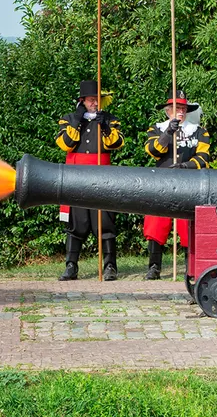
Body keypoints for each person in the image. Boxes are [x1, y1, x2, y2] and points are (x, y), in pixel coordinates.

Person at [55, 79, 125, 281]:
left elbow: (117, 144)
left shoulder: (109, 119)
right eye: (91, 100)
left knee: (105, 223)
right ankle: (71, 265)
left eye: (97, 99)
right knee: (77, 224)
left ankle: (110, 266)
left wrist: (104, 127)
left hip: (102, 177)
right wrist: (78, 120)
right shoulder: (68, 119)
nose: (95, 103)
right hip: (76, 178)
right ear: (82, 100)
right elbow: (66, 144)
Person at [142, 90, 210, 280]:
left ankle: (191, 267)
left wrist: (185, 166)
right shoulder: (156, 129)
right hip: (162, 183)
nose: (180, 111)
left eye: (182, 108)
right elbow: (152, 151)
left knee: (187, 226)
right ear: (167, 111)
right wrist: (167, 133)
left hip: (189, 183)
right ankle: (154, 267)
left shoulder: (199, 131)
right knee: (156, 224)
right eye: (175, 108)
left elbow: (204, 158)